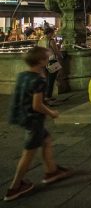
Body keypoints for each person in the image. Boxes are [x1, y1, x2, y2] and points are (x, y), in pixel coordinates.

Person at [5, 46, 72, 201]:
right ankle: (14, 187)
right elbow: (37, 105)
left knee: (46, 140)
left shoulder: (23, 75)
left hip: (23, 116)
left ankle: (51, 171)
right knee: (28, 154)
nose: (49, 58)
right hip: (33, 119)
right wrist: (52, 113)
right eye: (46, 57)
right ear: (41, 61)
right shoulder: (39, 80)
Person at [37, 27, 62, 101]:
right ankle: (48, 96)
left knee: (46, 79)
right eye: (53, 32)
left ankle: (44, 96)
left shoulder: (40, 41)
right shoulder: (51, 41)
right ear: (50, 33)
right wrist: (61, 56)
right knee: (51, 79)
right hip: (51, 61)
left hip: (43, 61)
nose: (53, 34)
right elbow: (56, 51)